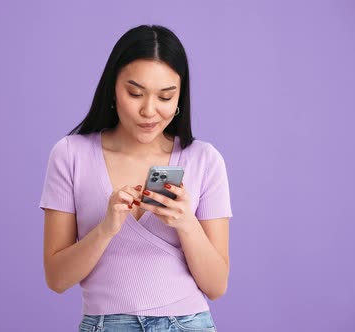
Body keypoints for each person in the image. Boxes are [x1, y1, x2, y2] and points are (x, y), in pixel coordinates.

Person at [39, 24, 233, 332]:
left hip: (189, 324)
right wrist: (106, 228)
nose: (149, 110)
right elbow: (57, 279)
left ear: (180, 96)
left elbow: (216, 286)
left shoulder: (204, 159)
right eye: (135, 93)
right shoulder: (70, 154)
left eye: (165, 97)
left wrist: (186, 223)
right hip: (105, 324)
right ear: (113, 90)